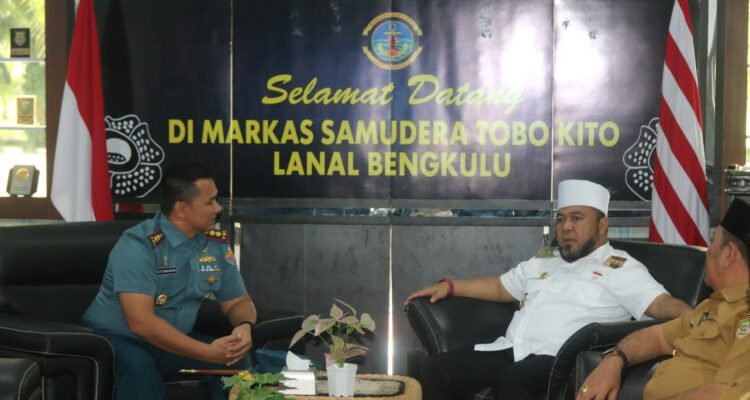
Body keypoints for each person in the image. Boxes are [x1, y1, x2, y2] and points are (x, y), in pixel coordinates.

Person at [405, 179, 692, 400]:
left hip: (563, 360)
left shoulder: (620, 267)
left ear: (602, 225)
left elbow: (659, 303)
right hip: (513, 349)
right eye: (561, 219)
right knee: (435, 369)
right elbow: (501, 286)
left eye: (577, 218)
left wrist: (695, 316)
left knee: (512, 381)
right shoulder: (546, 259)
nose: (566, 227)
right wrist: (450, 286)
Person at [83, 162, 257, 399]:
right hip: (117, 338)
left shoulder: (214, 244)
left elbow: (237, 301)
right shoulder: (138, 245)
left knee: (234, 360)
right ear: (182, 209)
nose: (218, 208)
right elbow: (142, 324)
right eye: (209, 202)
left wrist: (244, 326)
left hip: (172, 340)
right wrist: (207, 351)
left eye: (216, 200)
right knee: (140, 368)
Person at [577, 198, 750, 400]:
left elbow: (727, 395)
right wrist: (615, 359)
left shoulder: (744, 315)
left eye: (712, 242)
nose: (708, 251)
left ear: (728, 254)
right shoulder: (711, 307)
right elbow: (656, 337)